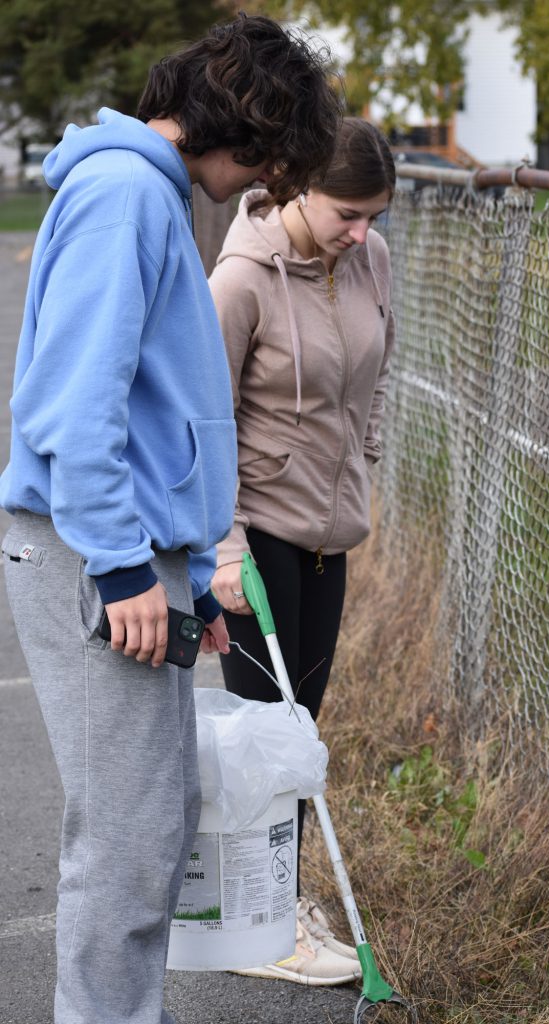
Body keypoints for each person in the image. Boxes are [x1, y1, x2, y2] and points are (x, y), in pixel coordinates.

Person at [0, 15, 340, 1024]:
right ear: (242, 120)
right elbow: (72, 408)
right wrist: (118, 569)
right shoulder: (123, 198)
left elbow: (154, 407)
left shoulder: (148, 193)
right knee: (128, 834)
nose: (264, 183)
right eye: (271, 157)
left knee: (154, 822)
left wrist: (188, 576)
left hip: (133, 548)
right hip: (90, 549)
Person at [208, 116, 396, 986]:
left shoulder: (370, 262)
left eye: (374, 217)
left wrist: (365, 467)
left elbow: (372, 384)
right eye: (348, 214)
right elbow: (198, 425)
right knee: (262, 739)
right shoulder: (241, 279)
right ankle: (266, 929)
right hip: (257, 536)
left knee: (298, 730)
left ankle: (271, 904)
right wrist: (220, 550)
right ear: (298, 189)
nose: (363, 234)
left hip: (330, 536)